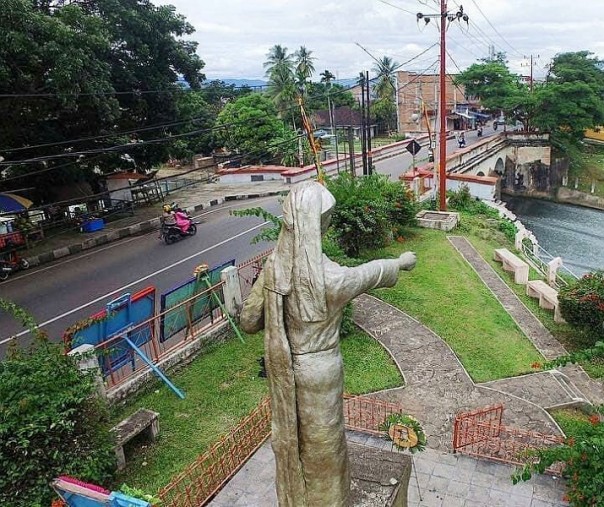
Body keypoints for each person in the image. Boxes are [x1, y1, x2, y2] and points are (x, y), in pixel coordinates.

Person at [240, 181, 416, 507]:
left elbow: (249, 322)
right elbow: (369, 273)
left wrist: (276, 303)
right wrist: (401, 262)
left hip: (287, 372)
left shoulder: (274, 270)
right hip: (320, 373)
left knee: (296, 444)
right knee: (324, 448)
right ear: (319, 225)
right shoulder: (329, 279)